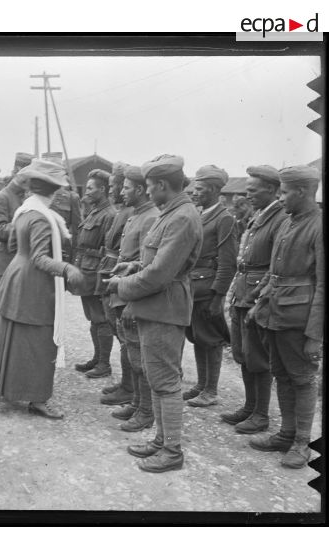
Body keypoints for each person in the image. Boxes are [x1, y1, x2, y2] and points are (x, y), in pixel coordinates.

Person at [106, 154, 203, 473]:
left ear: (162, 185)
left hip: (165, 306)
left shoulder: (181, 217)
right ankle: (162, 440)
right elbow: (157, 260)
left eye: (148, 186)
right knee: (157, 377)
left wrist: (121, 285)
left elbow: (161, 273)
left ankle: (172, 450)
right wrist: (133, 265)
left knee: (165, 381)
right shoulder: (172, 212)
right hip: (157, 305)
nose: (146, 192)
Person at [0, 159, 84, 419]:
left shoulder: (25, 210)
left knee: (14, 338)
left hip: (18, 276)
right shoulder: (42, 218)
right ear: (53, 190)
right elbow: (40, 258)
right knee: (41, 343)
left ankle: (6, 388)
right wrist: (67, 269)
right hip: (33, 284)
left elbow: (14, 246)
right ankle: (39, 398)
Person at [248, 165, 323, 469]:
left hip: (299, 318)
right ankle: (286, 433)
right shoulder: (288, 222)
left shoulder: (318, 225)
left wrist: (315, 333)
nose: (280, 199)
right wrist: (257, 301)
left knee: (303, 379)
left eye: (284, 192)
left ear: (302, 192)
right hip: (275, 313)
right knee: (281, 374)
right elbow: (273, 271)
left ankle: (302, 443)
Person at [220, 166, 287, 434]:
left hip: (257, 294)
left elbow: (275, 266)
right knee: (242, 354)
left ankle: (261, 415)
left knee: (257, 357)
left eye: (253, 189)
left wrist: (258, 297)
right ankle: (249, 407)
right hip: (242, 292)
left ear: (271, 190)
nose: (248, 194)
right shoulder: (259, 215)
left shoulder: (280, 218)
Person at [108, 165, 159, 431]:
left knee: (140, 357)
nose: (121, 191)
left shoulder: (151, 217)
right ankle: (138, 402)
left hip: (134, 296)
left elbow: (146, 265)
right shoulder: (134, 215)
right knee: (130, 351)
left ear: (140, 190)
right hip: (124, 290)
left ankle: (146, 411)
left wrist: (132, 302)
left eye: (127, 187)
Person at [184, 165, 237, 407]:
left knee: (211, 338)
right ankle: (201, 384)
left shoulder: (224, 218)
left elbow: (227, 263)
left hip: (208, 288)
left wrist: (219, 297)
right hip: (194, 286)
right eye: (194, 188)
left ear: (215, 190)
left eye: (200, 189)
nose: (195, 193)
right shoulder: (201, 213)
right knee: (197, 335)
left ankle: (211, 390)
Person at [71, 170, 117, 379]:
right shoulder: (95, 211)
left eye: (91, 188)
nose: (87, 192)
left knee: (102, 319)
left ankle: (104, 364)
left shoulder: (109, 214)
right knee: (93, 318)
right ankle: (97, 358)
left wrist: (103, 277)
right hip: (87, 270)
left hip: (97, 271)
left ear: (103, 190)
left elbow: (109, 249)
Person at [96, 163, 135, 405]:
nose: (113, 190)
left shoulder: (130, 213)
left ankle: (130, 388)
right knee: (117, 328)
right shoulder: (123, 210)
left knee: (125, 335)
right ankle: (126, 383)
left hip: (121, 273)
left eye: (115, 185)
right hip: (111, 269)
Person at [0, 153, 32, 286]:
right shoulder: (2, 197)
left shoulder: (28, 196)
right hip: (7, 262)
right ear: (18, 170)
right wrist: (30, 225)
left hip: (26, 263)